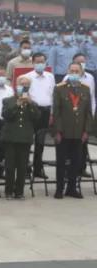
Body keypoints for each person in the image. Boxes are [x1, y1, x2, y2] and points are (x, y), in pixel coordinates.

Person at [51, 62, 92, 199]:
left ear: (81, 73)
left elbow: (88, 113)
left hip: (79, 132)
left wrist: (86, 131)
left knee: (76, 162)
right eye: (72, 71)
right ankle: (59, 189)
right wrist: (57, 131)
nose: (74, 73)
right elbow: (56, 112)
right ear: (68, 71)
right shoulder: (59, 88)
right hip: (63, 132)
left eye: (77, 71)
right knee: (61, 162)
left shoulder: (85, 89)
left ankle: (71, 188)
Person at [2, 76, 40, 200]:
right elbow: (6, 116)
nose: (24, 87)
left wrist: (30, 104)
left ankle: (19, 191)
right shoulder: (8, 100)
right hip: (11, 138)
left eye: (26, 85)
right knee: (10, 166)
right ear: (16, 86)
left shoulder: (32, 102)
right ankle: (8, 191)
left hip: (25, 138)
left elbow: (37, 118)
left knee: (22, 167)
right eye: (21, 84)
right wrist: (16, 105)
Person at [20, 54, 55, 179]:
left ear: (45, 62)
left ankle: (38, 168)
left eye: (42, 61)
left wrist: (52, 113)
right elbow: (23, 95)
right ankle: (25, 169)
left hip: (46, 111)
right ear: (33, 63)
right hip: (32, 111)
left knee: (40, 142)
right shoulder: (27, 77)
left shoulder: (50, 77)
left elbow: (52, 95)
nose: (40, 64)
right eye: (37, 62)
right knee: (28, 141)